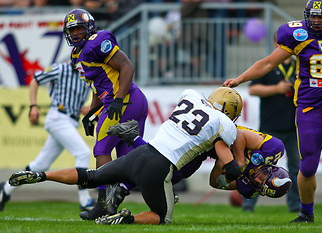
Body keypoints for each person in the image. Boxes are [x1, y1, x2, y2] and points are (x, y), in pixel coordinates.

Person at [8, 87, 244, 225]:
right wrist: (236, 168)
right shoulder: (225, 124)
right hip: (160, 167)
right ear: (230, 111)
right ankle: (126, 219)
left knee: (92, 176)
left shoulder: (191, 96)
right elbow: (225, 157)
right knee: (162, 218)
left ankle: (41, 174)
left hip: (142, 152)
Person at [223, 0, 322, 223]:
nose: (316, 22)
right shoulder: (297, 34)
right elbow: (268, 62)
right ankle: (306, 213)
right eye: (312, 18)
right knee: (307, 167)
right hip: (311, 112)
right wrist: (241, 79)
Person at [63, 8, 148, 220]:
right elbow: (97, 87)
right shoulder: (76, 54)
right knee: (127, 160)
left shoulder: (97, 41)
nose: (75, 34)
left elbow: (126, 66)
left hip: (124, 101)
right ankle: (161, 191)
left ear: (90, 27)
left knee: (101, 149)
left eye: (79, 28)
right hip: (127, 101)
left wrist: (118, 99)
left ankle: (103, 204)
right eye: (72, 30)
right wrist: (91, 112)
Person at [105, 119, 292, 212]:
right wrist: (238, 160)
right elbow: (238, 134)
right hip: (215, 132)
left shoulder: (249, 188)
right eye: (262, 179)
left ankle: (132, 138)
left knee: (175, 173)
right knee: (164, 161)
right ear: (271, 169)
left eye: (260, 187)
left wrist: (221, 164)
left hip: (209, 150)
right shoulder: (273, 148)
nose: (257, 181)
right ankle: (121, 186)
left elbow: (216, 182)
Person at [0, 61, 93, 212]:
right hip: (58, 117)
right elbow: (36, 79)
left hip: (70, 120)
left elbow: (93, 93)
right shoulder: (61, 68)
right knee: (83, 153)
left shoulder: (88, 73)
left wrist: (89, 107)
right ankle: (85, 201)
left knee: (40, 165)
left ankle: (6, 189)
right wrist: (33, 106)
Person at [241, 34, 300, 213]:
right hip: (270, 127)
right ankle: (248, 204)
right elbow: (253, 89)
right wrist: (277, 89)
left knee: (296, 168)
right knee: (258, 168)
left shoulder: (300, 65)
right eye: (281, 43)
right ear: (275, 43)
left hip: (294, 126)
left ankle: (296, 205)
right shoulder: (269, 64)